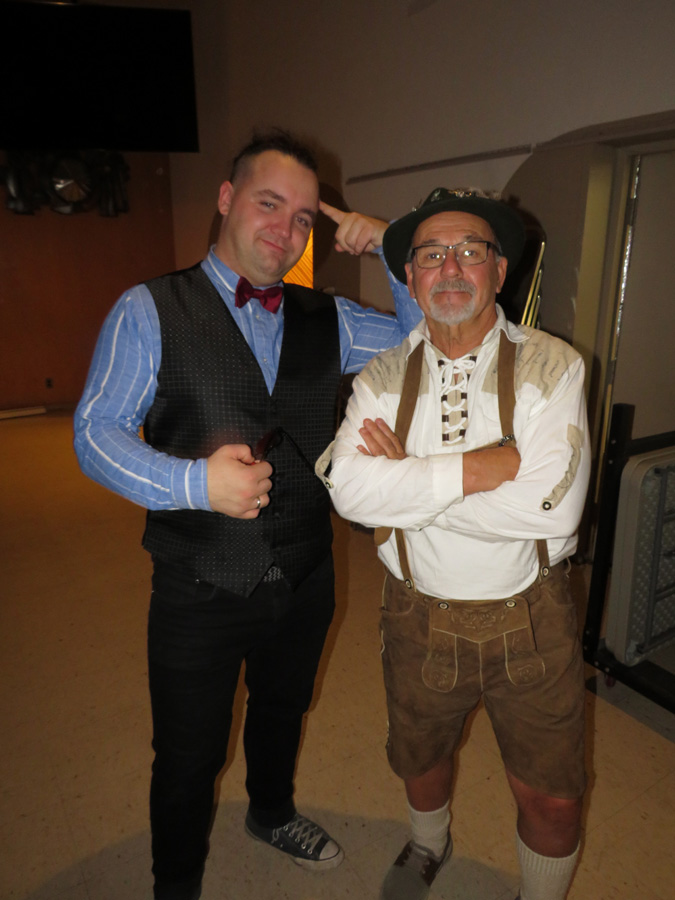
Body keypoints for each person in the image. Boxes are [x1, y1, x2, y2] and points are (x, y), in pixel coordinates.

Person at [73, 129, 422, 900]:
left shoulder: (327, 317)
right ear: (227, 199)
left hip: (305, 570)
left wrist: (390, 251)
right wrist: (194, 482)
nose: (285, 229)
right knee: (187, 755)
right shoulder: (149, 308)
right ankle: (174, 886)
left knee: (283, 706)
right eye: (269, 204)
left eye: (302, 217)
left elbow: (417, 342)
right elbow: (94, 433)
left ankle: (270, 811)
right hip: (198, 582)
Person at [320, 187, 591, 900]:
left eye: (469, 250)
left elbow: (553, 511)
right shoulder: (381, 377)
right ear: (410, 277)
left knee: (554, 798)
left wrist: (405, 484)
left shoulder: (552, 366)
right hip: (417, 615)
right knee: (420, 760)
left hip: (532, 617)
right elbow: (348, 493)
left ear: (498, 271)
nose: (449, 267)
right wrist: (480, 468)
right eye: (431, 254)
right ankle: (428, 843)